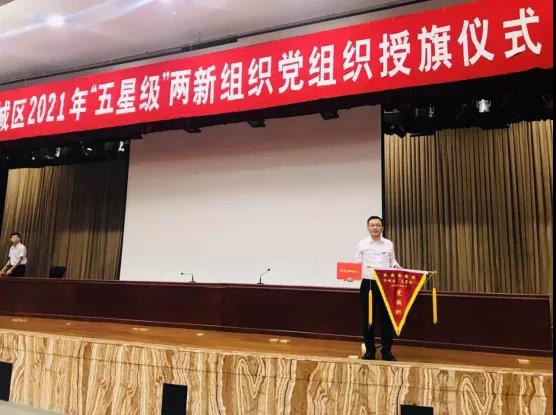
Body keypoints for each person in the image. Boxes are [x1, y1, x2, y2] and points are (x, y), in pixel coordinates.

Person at [355, 216, 400, 361]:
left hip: (386, 284)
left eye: (378, 225)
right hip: (368, 284)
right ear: (368, 228)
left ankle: (386, 351)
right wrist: (350, 275)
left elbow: (392, 260)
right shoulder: (362, 244)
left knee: (386, 319)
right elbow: (357, 263)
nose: (375, 227)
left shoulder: (389, 244)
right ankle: (370, 351)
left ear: (382, 227)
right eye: (372, 225)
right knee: (368, 319)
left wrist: (396, 266)